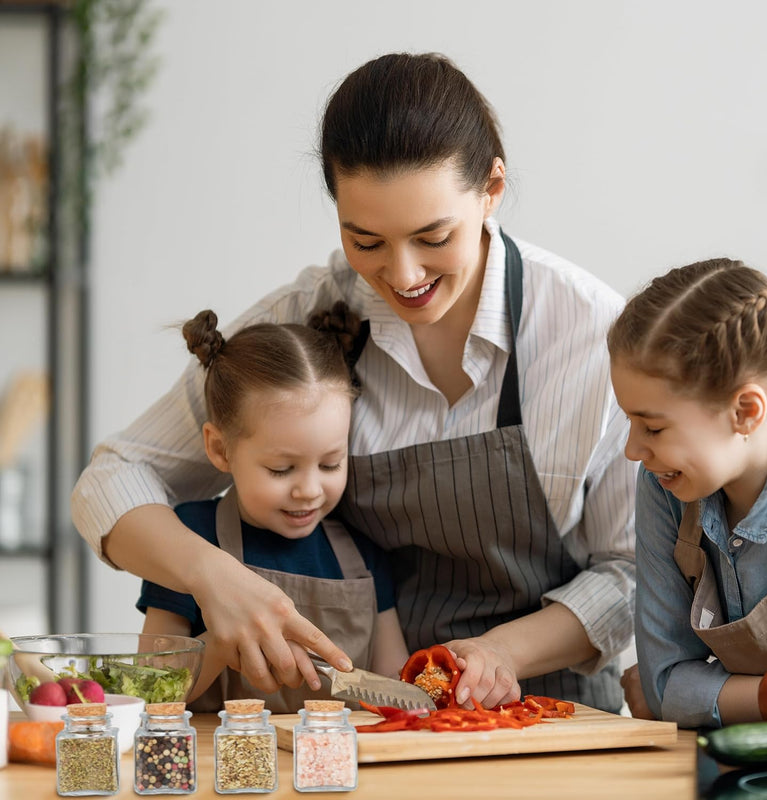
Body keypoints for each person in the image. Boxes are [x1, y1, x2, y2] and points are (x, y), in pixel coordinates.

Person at [72, 52, 637, 712]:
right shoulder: (308, 318)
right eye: (365, 241)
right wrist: (214, 577)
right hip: (361, 727)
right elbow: (113, 478)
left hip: (557, 722)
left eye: (433, 236)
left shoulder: (593, 333)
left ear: (492, 189)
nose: (402, 275)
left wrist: (502, 652)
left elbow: (634, 571)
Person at [138, 303, 409, 712]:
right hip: (224, 767)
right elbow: (149, 690)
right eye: (282, 469)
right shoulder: (190, 537)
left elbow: (395, 684)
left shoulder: (363, 552)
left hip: (342, 769)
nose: (310, 490)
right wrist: (222, 642)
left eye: (331, 463)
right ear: (219, 448)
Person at [607, 258, 767, 729]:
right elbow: (664, 683)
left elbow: (672, 695)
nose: (634, 450)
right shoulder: (666, 485)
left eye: (652, 427)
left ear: (746, 411)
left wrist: (715, 697)